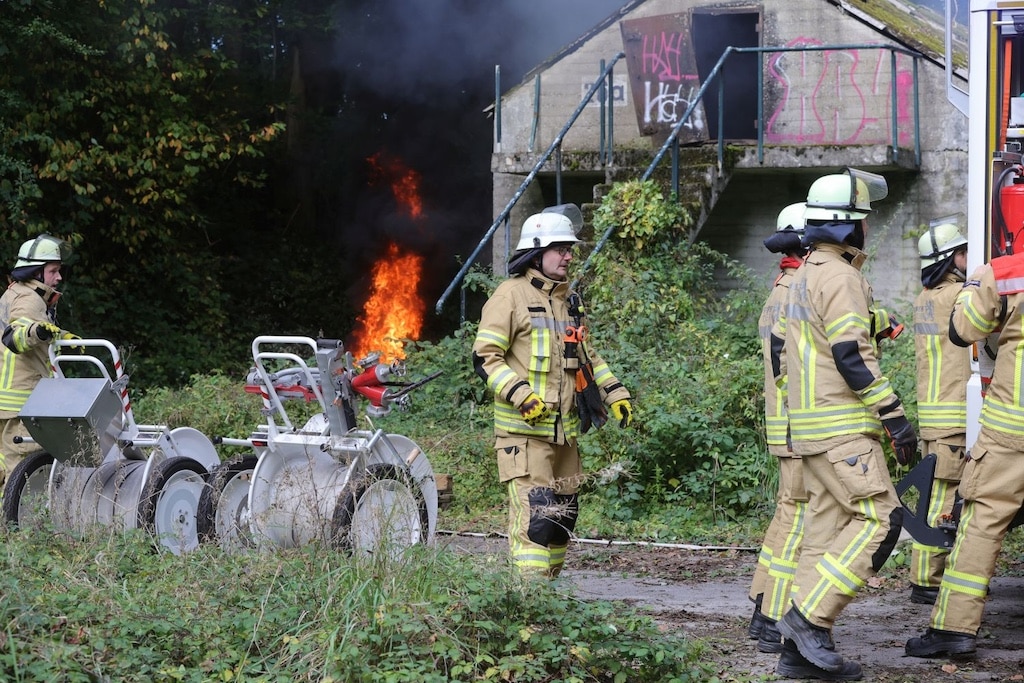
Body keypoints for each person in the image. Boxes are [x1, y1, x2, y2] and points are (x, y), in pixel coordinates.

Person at [769, 168, 918, 681]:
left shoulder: (806, 273)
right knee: (883, 520)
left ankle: (800, 653)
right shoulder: (841, 276)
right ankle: (808, 619)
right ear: (849, 226)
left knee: (823, 535)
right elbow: (852, 354)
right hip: (843, 430)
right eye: (865, 219)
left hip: (809, 430)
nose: (869, 228)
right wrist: (895, 417)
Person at [472, 205, 632, 577]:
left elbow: (588, 358)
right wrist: (521, 395)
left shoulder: (569, 301)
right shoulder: (509, 296)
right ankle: (530, 609)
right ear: (536, 251)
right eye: (560, 249)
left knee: (562, 522)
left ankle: (550, 605)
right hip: (524, 437)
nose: (568, 256)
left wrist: (615, 393)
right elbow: (485, 357)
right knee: (537, 522)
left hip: (565, 436)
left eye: (570, 249)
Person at [904, 241, 1024, 659]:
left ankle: (953, 631)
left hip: (1012, 431)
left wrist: (977, 284)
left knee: (981, 524)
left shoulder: (1006, 272)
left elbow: (964, 330)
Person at [747, 201, 808, 654]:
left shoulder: (782, 286)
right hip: (799, 426)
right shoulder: (796, 289)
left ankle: (762, 608)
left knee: (789, 514)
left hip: (788, 424)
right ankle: (771, 617)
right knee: (797, 519)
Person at [907, 219, 970, 606]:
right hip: (954, 415)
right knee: (944, 499)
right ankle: (928, 581)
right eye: (963, 252)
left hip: (932, 414)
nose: (968, 257)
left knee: (932, 493)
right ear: (950, 260)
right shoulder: (959, 296)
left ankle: (923, 577)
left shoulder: (923, 299)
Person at [0, 234, 79, 488]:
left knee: (4, 469)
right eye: (53, 271)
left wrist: (62, 337)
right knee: (23, 476)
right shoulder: (29, 299)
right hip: (21, 403)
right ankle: (17, 527)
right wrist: (37, 332)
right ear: (36, 272)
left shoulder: (15, 293)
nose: (59, 277)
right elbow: (18, 335)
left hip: (6, 402)